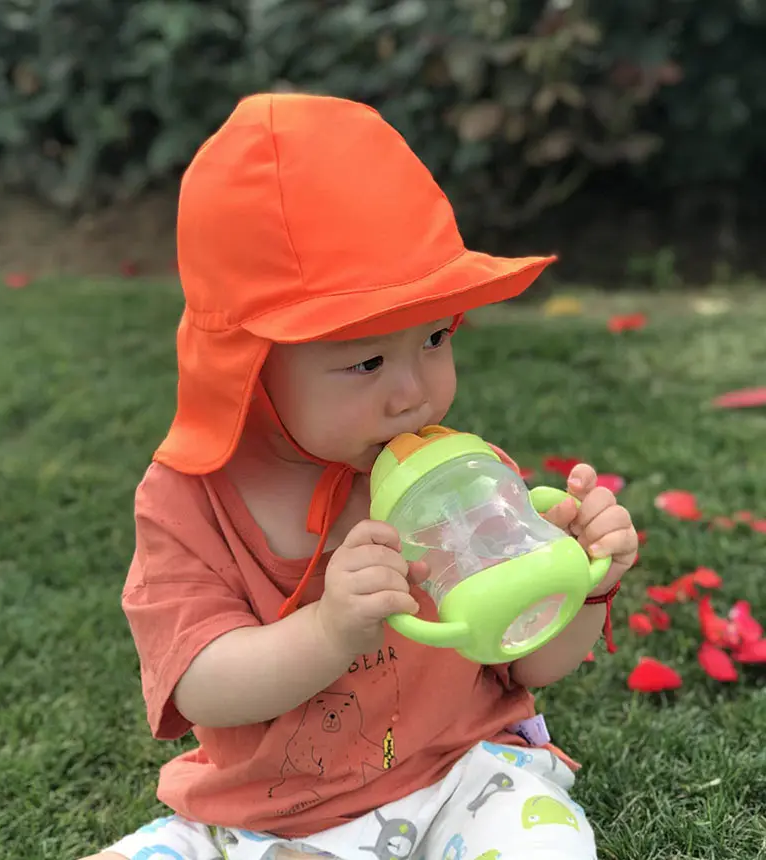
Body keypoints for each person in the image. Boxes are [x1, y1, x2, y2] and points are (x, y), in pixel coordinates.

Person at [82, 93, 638, 860]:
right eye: (368, 361)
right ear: (249, 368)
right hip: (264, 818)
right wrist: (328, 630)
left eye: (435, 338)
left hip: (459, 774)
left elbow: (527, 656)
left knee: (545, 845)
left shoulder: (465, 479)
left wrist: (586, 580)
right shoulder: (189, 500)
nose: (414, 394)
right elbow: (199, 682)